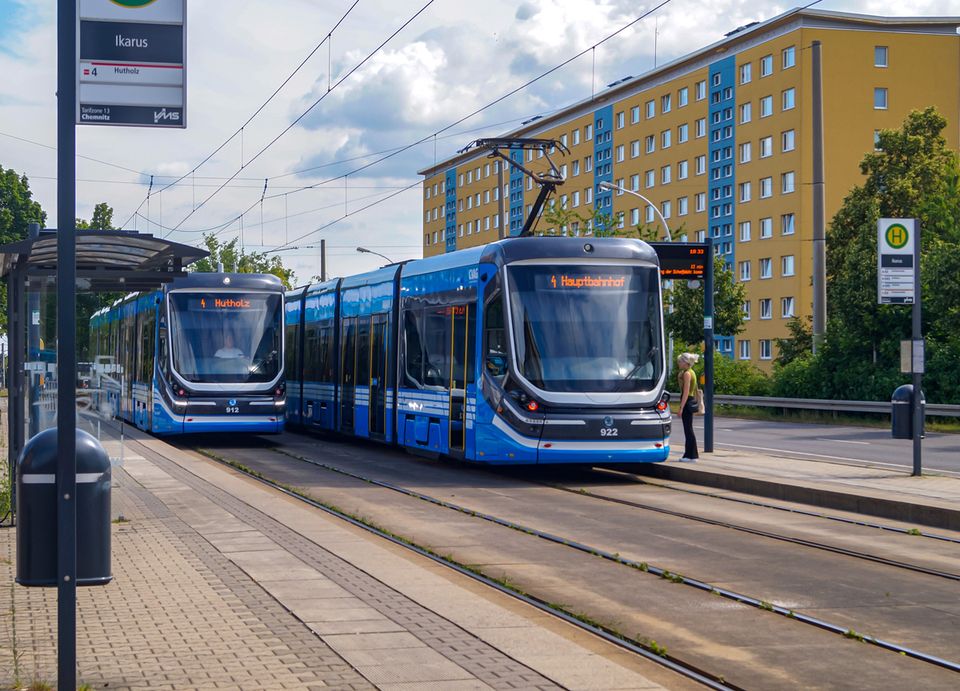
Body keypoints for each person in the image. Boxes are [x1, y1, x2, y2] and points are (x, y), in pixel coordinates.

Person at [676, 352, 700, 462]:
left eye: (680, 361)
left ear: (685, 363)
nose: (678, 363)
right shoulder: (691, 372)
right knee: (688, 429)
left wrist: (681, 408)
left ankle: (691, 455)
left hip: (687, 401)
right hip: (690, 400)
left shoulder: (687, 374)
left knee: (688, 429)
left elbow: (685, 392)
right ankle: (690, 454)